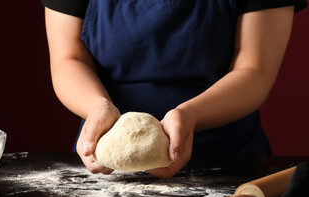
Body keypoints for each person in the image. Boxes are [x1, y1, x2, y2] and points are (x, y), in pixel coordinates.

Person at [41, 0, 307, 179]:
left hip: (225, 163)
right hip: (106, 162)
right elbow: (69, 59)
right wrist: (97, 108)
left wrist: (189, 115)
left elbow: (254, 69)